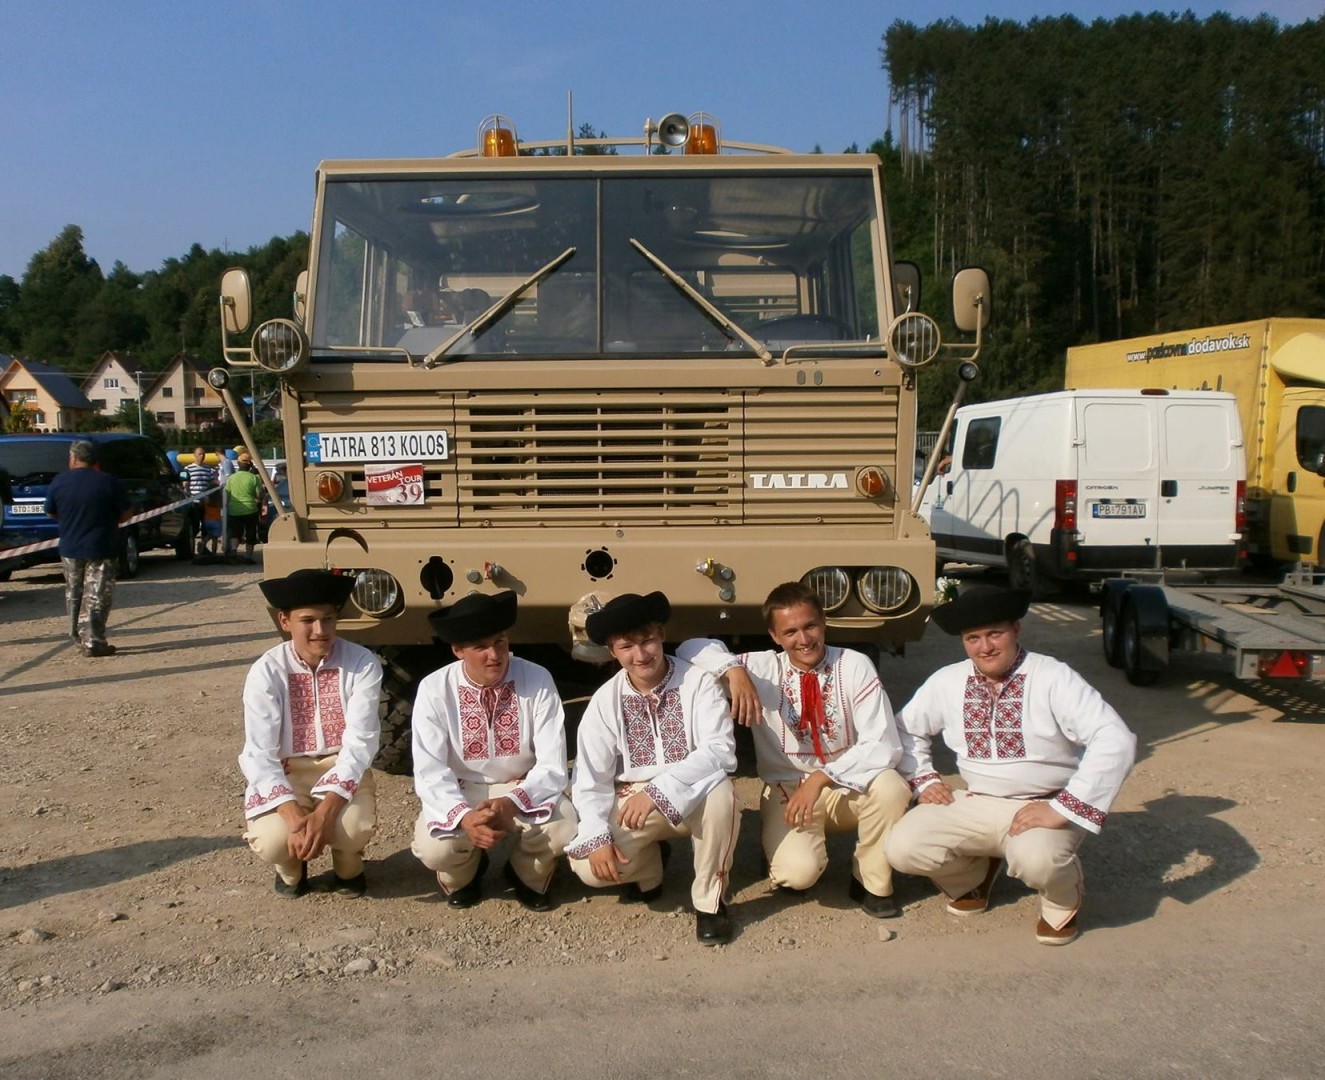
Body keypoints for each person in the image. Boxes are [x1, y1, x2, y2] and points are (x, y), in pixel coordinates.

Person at [885, 585, 1136, 945]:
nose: (985, 647)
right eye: (973, 638)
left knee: (1037, 860)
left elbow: (1115, 737)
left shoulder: (1052, 676)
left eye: (995, 634)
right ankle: (972, 877)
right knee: (903, 847)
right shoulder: (947, 680)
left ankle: (1062, 900)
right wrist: (924, 779)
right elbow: (905, 729)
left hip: (1043, 803)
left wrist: (1062, 807)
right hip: (976, 801)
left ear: (1016, 629)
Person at [678, 582, 912, 918]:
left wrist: (820, 778)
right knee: (797, 875)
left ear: (824, 622)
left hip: (844, 784)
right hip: (788, 789)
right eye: (790, 632)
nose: (803, 639)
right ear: (774, 636)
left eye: (810, 626)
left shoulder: (854, 664)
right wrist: (732, 670)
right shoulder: (762, 668)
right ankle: (777, 846)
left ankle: (871, 880)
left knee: (892, 786)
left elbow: (882, 742)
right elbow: (689, 647)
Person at [565, 591, 739, 946]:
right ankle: (649, 866)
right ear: (612, 651)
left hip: (693, 790)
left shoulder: (698, 682)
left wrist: (658, 790)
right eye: (627, 646)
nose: (640, 654)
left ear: (661, 635)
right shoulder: (604, 701)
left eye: (647, 641)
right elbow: (590, 779)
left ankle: (710, 901)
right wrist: (597, 835)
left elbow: (720, 750)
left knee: (723, 794)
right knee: (589, 868)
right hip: (634, 802)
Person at [410, 591, 577, 911]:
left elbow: (553, 765)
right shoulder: (434, 688)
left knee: (564, 827)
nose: (495, 655)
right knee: (436, 850)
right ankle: (466, 873)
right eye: (480, 647)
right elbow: (429, 770)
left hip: (520, 785)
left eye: (500, 642)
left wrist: (512, 802)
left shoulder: (537, 677)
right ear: (458, 650)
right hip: (462, 789)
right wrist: (466, 817)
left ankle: (525, 872)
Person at [239, 569, 382, 898]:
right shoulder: (267, 670)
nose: (320, 630)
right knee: (273, 840)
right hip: (287, 771)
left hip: (340, 766)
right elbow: (259, 752)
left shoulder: (362, 662)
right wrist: (293, 818)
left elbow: (360, 742)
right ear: (285, 621)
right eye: (308, 620)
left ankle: (349, 868)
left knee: (352, 829)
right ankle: (291, 869)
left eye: (328, 619)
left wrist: (325, 814)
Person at [43, 440, 131, 658]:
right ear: (95, 460)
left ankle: (77, 636)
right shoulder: (108, 481)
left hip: (70, 547)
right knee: (97, 595)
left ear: (73, 458)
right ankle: (94, 640)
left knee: (74, 593)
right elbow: (126, 513)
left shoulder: (59, 481)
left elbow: (50, 511)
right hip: (102, 546)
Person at [225, 453, 264, 557]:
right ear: (249, 465)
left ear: (238, 464)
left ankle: (234, 549)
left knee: (235, 533)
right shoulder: (254, 478)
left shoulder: (231, 478)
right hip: (251, 510)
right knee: (250, 534)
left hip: (234, 510)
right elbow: (259, 495)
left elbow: (227, 494)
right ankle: (249, 556)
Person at [184, 445, 217, 546]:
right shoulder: (188, 468)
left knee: (205, 526)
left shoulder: (208, 469)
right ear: (194, 455)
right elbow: (185, 484)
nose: (202, 456)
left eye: (203, 454)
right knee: (194, 525)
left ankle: (203, 546)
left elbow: (212, 484)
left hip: (205, 502)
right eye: (199, 454)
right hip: (194, 501)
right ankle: (190, 546)